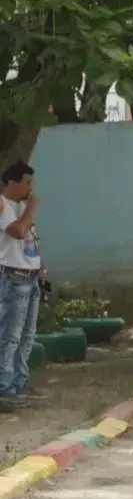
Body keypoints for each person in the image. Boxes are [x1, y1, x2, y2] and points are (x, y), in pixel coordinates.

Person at [0, 161, 42, 413]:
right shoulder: (4, 204)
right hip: (13, 278)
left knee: (27, 334)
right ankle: (4, 387)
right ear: (12, 183)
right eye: (27, 182)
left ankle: (18, 381)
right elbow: (16, 231)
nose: (30, 188)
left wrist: (38, 262)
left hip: (30, 275)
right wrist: (31, 209)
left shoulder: (20, 206)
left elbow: (28, 237)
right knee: (10, 335)